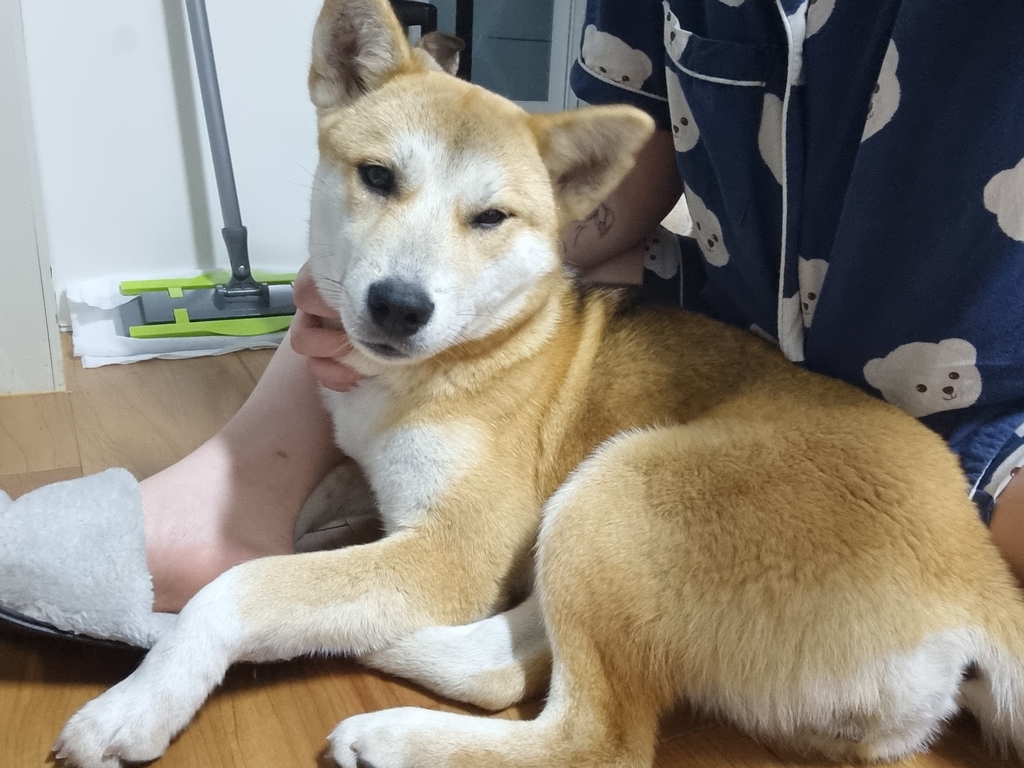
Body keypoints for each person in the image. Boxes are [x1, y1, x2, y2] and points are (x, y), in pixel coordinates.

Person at [130, 0, 1024, 613]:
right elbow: (619, 180)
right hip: (733, 319)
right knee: (430, 284)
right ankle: (249, 480)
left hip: (990, 402)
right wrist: (398, 273)